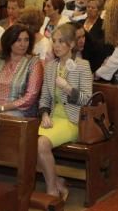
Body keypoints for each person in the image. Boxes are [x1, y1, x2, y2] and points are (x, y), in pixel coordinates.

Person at [37, 23, 93, 200]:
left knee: (40, 144)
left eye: (61, 41)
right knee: (28, 143)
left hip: (73, 120)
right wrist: (45, 114)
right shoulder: (51, 66)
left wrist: (68, 88)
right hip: (53, 119)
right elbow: (45, 96)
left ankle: (52, 191)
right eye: (54, 41)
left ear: (71, 44)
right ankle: (58, 183)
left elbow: (87, 100)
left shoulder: (82, 65)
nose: (57, 45)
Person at [0, 25, 45, 117]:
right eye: (18, 40)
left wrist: (1, 108)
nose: (23, 44)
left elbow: (30, 97)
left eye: (26, 40)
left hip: (18, 110)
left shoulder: (33, 63)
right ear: (9, 41)